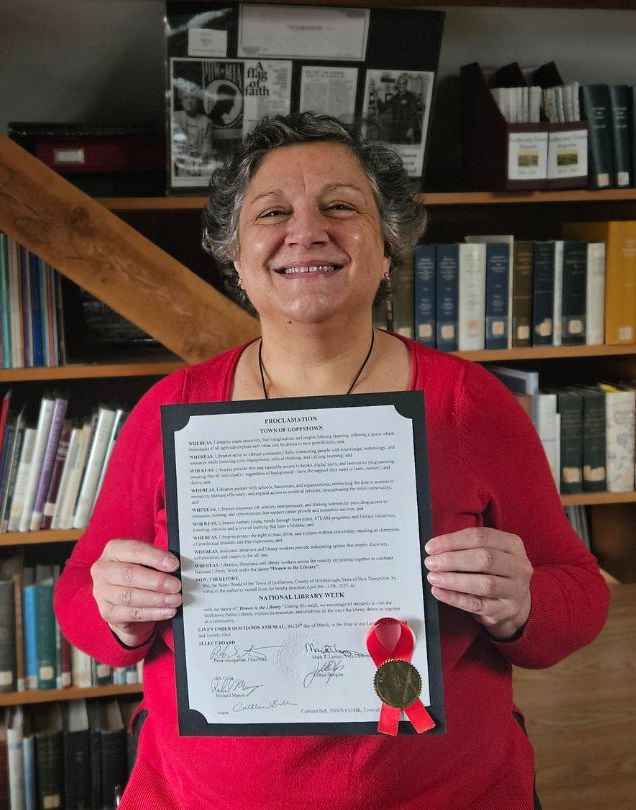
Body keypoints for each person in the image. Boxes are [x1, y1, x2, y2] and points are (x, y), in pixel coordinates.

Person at [55, 112, 609, 809]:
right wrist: (116, 611)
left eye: (341, 207)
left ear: (388, 246)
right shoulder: (173, 410)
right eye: (274, 211)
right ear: (233, 251)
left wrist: (523, 602)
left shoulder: (470, 404)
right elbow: (79, 595)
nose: (306, 231)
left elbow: (581, 594)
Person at [171, 79, 213, 175]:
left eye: (192, 98)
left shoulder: (206, 121)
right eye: (185, 98)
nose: (189, 101)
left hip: (202, 164)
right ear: (181, 99)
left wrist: (198, 164)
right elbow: (175, 146)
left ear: (198, 100)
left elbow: (207, 147)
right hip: (182, 164)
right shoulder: (175, 118)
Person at [378, 73, 423, 144]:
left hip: (405, 130)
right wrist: (377, 97)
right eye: (399, 83)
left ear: (406, 84)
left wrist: (411, 128)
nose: (401, 85)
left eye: (403, 83)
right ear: (398, 85)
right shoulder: (394, 98)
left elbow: (414, 114)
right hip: (395, 129)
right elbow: (383, 108)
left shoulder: (411, 97)